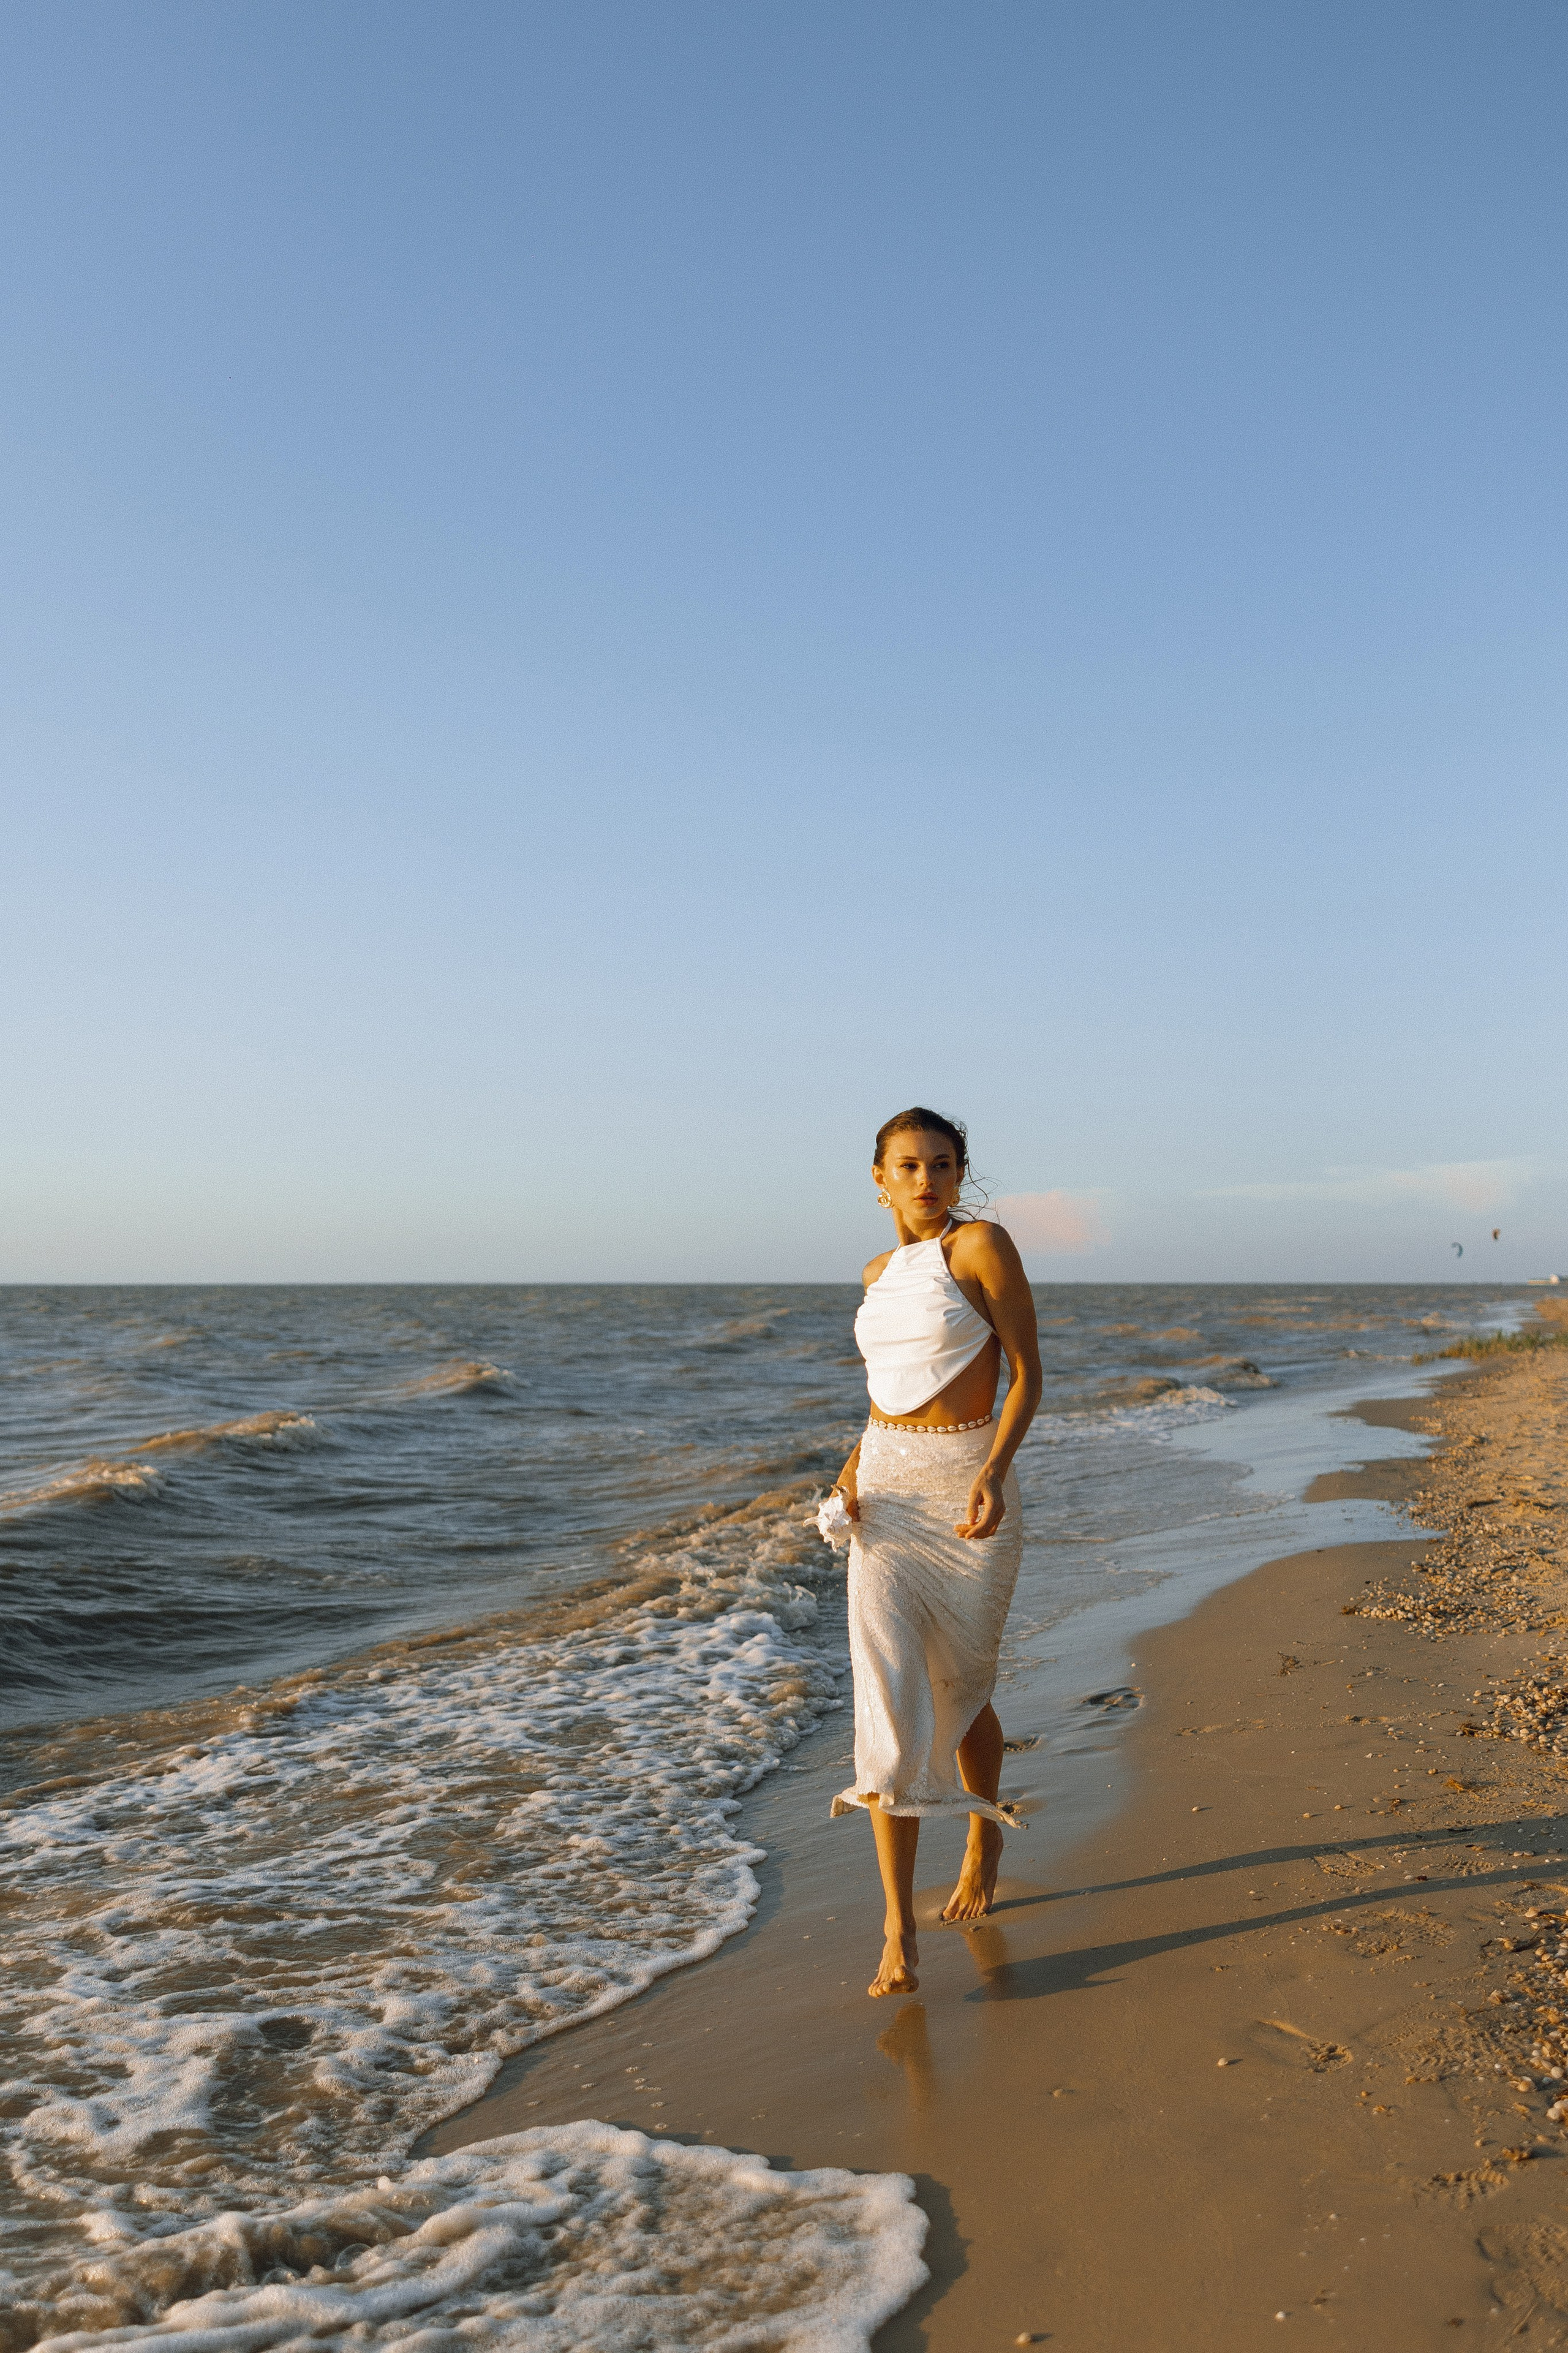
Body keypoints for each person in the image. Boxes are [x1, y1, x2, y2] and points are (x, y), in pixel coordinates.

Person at [830, 1107, 1042, 1998]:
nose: (927, 1181)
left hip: (965, 1490)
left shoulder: (982, 1247)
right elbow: (883, 1403)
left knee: (961, 1689)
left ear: (960, 1175)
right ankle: (895, 1928)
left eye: (942, 1165)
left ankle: (983, 1830)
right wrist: (844, 1480)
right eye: (909, 1167)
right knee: (889, 1702)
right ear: (878, 1177)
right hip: (883, 1497)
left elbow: (1028, 1369)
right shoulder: (877, 1273)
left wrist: (995, 1467)